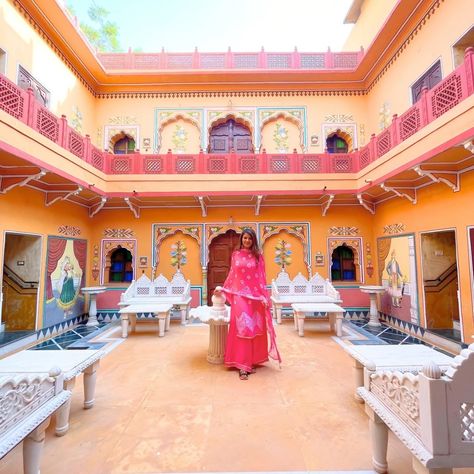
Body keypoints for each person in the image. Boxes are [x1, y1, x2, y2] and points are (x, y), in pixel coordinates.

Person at [214, 228, 281, 380]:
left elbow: (261, 278)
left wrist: (264, 296)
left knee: (254, 329)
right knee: (243, 328)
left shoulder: (258, 256)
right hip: (240, 297)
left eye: (250, 239)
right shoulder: (236, 255)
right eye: (245, 238)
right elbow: (232, 274)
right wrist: (223, 288)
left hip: (255, 298)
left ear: (253, 240)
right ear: (241, 239)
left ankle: (251, 360)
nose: (247, 241)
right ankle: (242, 365)